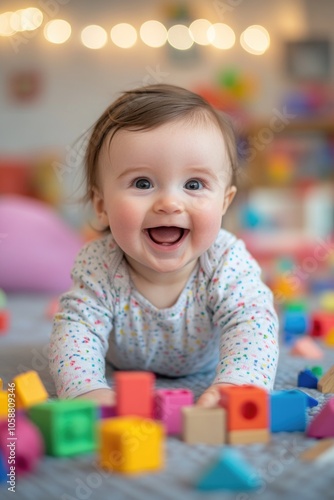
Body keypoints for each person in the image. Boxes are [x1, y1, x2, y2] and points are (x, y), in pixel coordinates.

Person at [49, 84, 279, 408]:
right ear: (102, 206)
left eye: (194, 184)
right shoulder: (101, 264)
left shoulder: (225, 260)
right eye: (142, 183)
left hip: (204, 366)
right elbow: (76, 328)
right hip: (124, 370)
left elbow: (253, 322)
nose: (170, 203)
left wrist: (238, 382)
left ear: (225, 202)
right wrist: (85, 388)